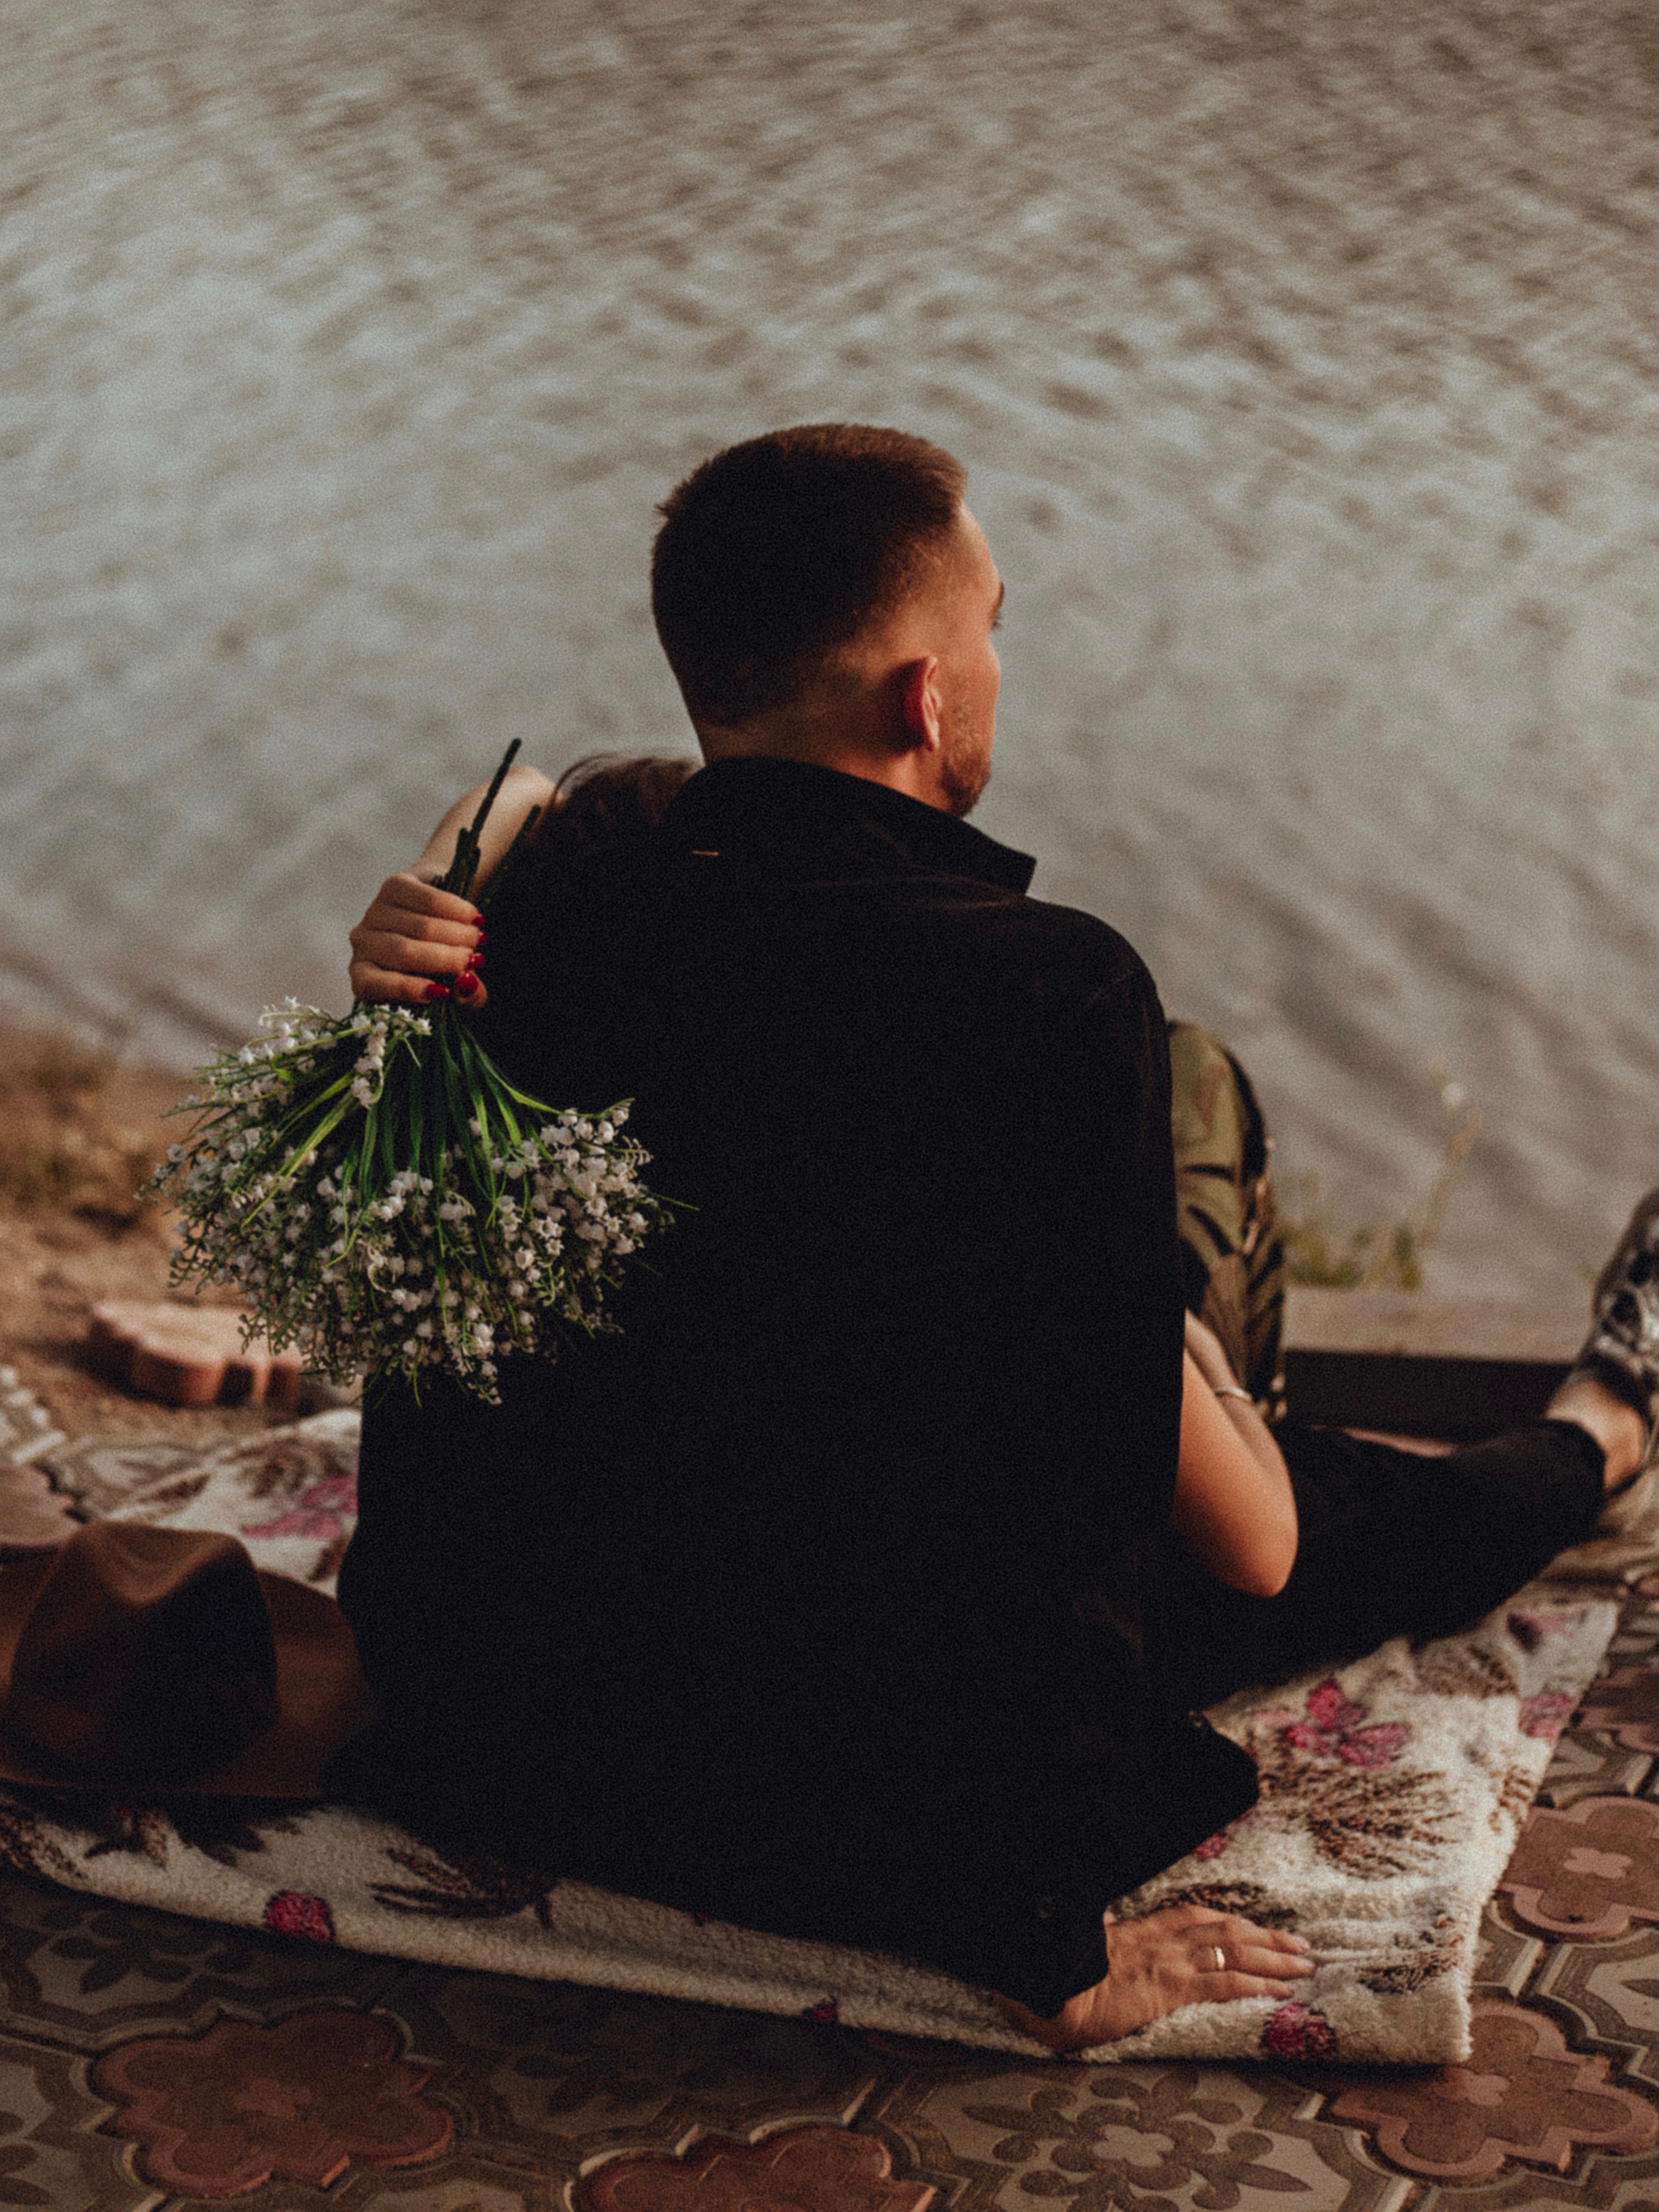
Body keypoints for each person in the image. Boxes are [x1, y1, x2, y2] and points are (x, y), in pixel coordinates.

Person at [334, 424, 1655, 2051]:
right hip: (819, 1788)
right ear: (923, 695)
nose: (998, 666)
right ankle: (1604, 1421)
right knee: (1346, 1512)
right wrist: (1045, 1936)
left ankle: (1371, 1379)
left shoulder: (495, 933)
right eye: (994, 625)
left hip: (501, 1734)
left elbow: (544, 796)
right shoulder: (1045, 989)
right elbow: (1084, 1556)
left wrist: (447, 861)